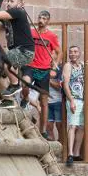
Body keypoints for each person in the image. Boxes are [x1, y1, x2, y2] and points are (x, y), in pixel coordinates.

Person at [22, 10, 61, 138]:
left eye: (44, 18)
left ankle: (42, 130)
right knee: (25, 84)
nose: (41, 20)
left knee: (44, 102)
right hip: (30, 65)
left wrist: (54, 66)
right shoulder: (31, 31)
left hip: (44, 70)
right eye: (39, 18)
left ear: (48, 21)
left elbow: (59, 52)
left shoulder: (51, 36)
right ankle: (25, 98)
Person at [63, 45, 88, 166]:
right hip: (74, 99)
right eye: (71, 52)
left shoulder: (83, 65)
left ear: (79, 53)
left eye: (75, 52)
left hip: (83, 99)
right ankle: (70, 153)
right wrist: (71, 100)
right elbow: (66, 84)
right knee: (73, 125)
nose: (73, 54)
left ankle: (77, 152)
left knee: (81, 127)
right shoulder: (68, 66)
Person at [47, 55, 63, 141]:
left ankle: (62, 147)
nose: (51, 61)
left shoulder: (60, 69)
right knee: (48, 127)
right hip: (47, 102)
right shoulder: (46, 69)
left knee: (59, 126)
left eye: (53, 59)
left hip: (58, 101)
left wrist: (48, 79)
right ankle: (53, 148)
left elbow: (60, 86)